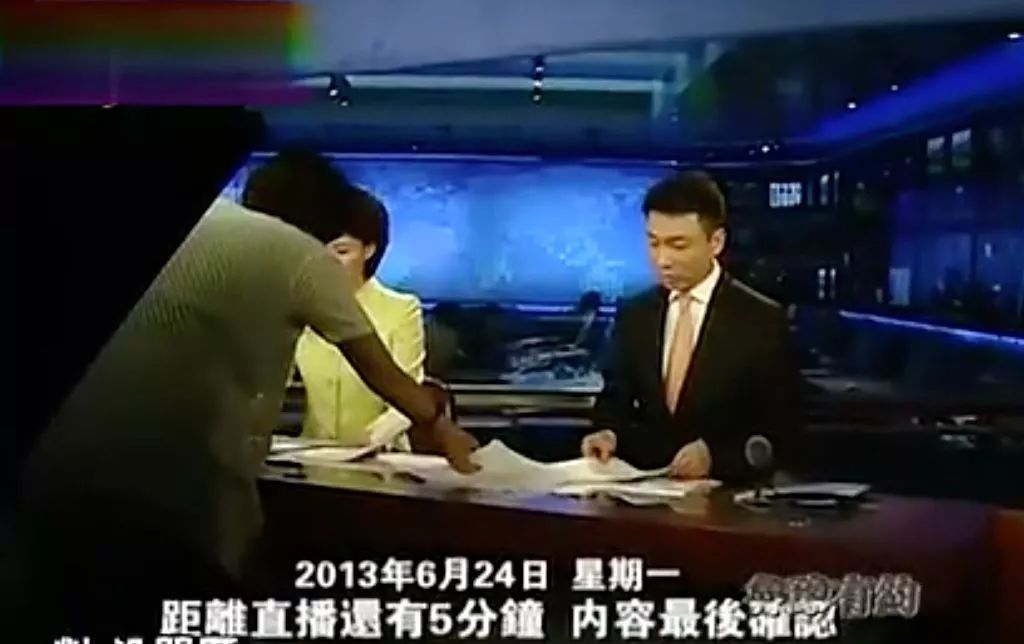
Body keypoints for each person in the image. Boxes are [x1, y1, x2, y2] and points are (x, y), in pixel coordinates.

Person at [16, 150, 478, 639]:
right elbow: (385, 375)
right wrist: (439, 423)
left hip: (56, 463)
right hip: (177, 485)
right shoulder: (299, 255)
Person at [581, 171, 800, 483]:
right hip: (644, 492)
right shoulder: (636, 313)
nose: (662, 260)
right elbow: (615, 399)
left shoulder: (761, 320)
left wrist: (716, 457)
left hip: (726, 500)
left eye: (678, 245)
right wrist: (607, 433)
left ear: (716, 242)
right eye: (654, 243)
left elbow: (783, 432)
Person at [294, 187, 424, 449]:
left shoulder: (402, 309)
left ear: (369, 250)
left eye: (342, 252)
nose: (328, 262)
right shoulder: (301, 308)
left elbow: (408, 399)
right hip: (312, 457)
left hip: (381, 458)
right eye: (319, 252)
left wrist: (368, 442)